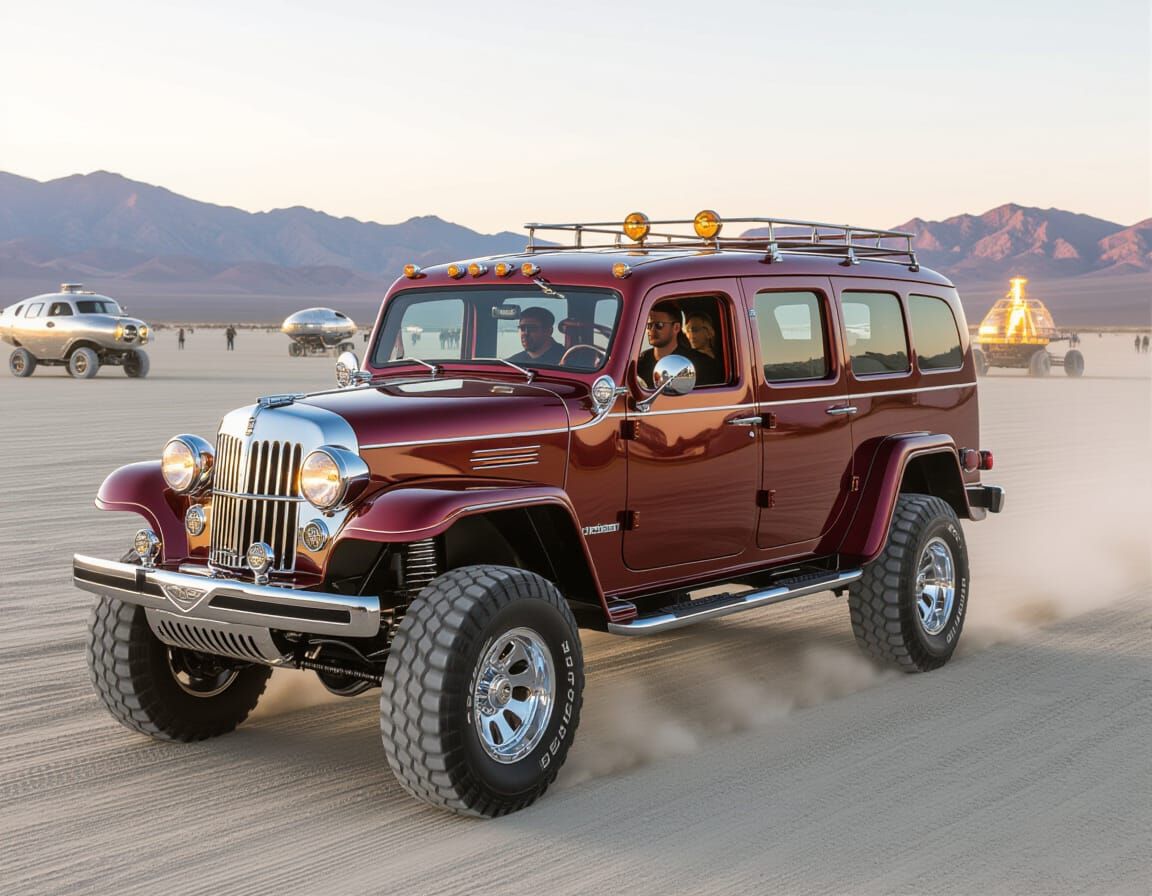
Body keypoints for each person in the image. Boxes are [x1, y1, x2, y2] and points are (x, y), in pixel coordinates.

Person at [637, 301, 722, 389]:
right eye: (649, 325)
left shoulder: (701, 364)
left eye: (659, 325)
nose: (652, 330)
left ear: (676, 328)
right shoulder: (639, 363)